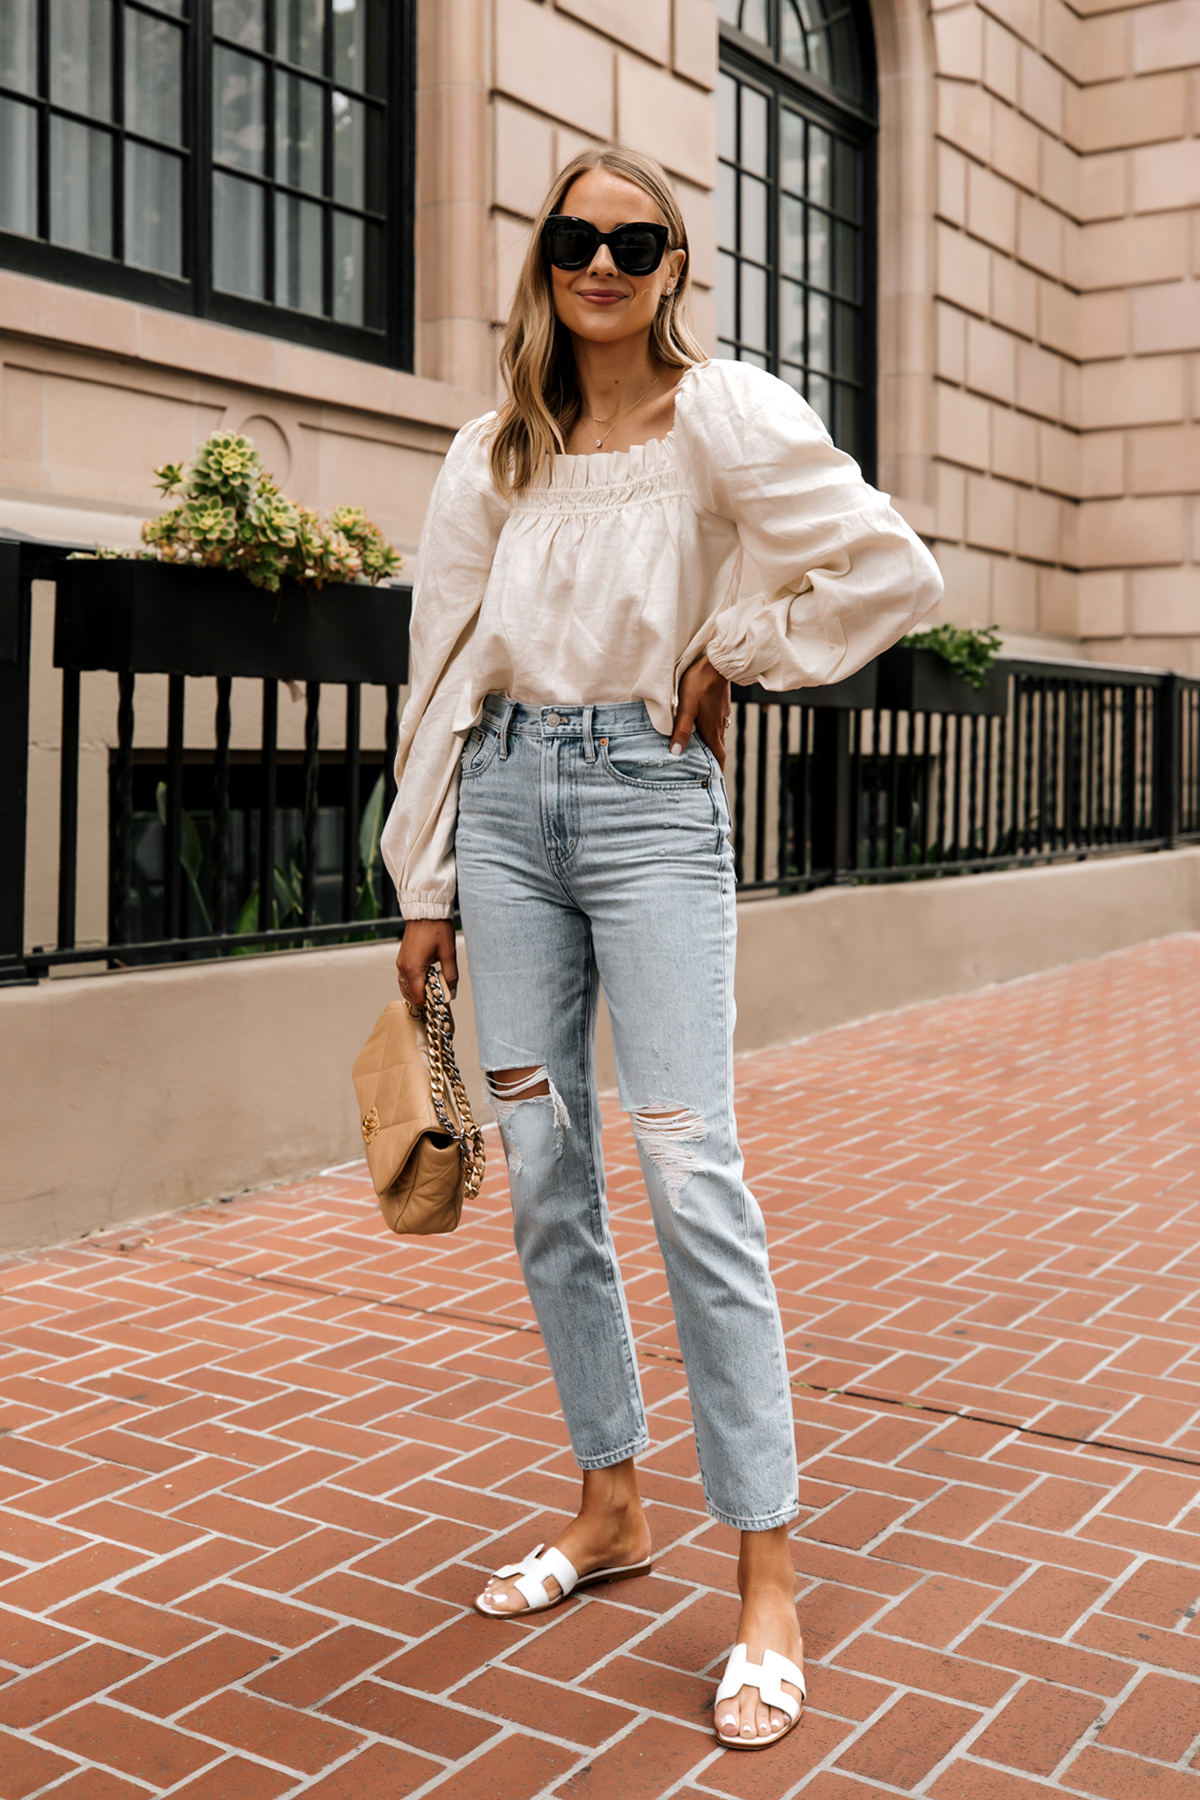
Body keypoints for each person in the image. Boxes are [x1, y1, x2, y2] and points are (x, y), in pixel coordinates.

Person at [385, 146, 942, 1749]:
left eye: (639, 241)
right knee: (548, 1175)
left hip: (644, 808)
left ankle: (766, 1570)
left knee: (692, 1169)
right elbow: (438, 666)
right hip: (501, 814)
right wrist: (421, 882)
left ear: (673, 268)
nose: (606, 262)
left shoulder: (724, 418)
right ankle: (611, 1504)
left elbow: (891, 570)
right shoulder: (494, 448)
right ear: (546, 258)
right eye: (579, 237)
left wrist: (744, 647)